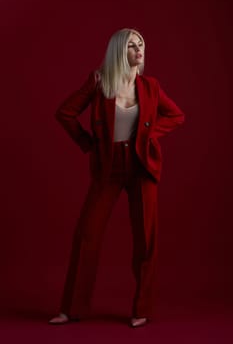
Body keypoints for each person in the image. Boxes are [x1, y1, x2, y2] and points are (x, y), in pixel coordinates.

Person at [48, 28, 185, 328]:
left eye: (142, 45)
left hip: (141, 167)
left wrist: (148, 136)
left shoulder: (150, 86)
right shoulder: (100, 83)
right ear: (118, 52)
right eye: (132, 45)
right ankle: (71, 309)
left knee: (146, 239)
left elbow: (177, 116)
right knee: (87, 235)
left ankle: (142, 309)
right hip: (108, 167)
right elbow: (65, 113)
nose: (139, 50)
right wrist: (87, 143)